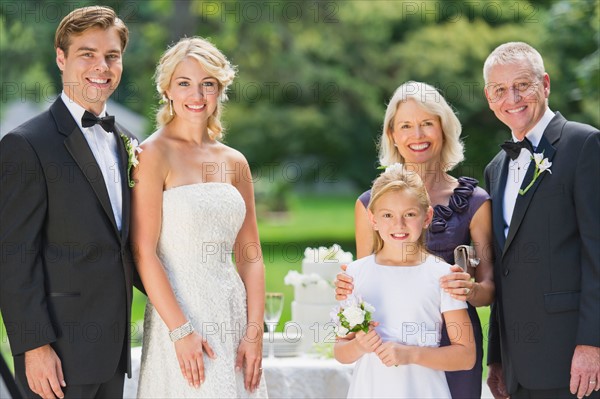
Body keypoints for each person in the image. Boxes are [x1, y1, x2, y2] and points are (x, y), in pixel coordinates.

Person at [0, 6, 139, 399]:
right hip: (56, 356)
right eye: (87, 54)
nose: (102, 66)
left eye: (112, 56)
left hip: (112, 352)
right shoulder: (26, 145)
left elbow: (127, 246)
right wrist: (33, 346)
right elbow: (12, 256)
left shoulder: (127, 141)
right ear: (61, 59)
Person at [336, 81, 494, 398]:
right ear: (392, 135)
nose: (417, 135)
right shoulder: (369, 204)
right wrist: (346, 289)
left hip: (452, 344)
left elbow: (490, 289)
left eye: (426, 124)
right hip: (386, 352)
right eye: (406, 126)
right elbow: (365, 283)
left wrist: (469, 289)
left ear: (444, 129)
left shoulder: (475, 202)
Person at [131, 37, 267, 398]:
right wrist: (180, 331)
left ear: (220, 89)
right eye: (185, 83)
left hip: (233, 317)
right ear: (167, 90)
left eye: (208, 83)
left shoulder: (235, 162)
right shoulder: (151, 155)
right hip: (179, 319)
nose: (197, 95)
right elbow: (143, 253)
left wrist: (254, 332)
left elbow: (251, 255)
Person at [482, 42, 600, 399]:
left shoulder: (585, 145)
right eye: (500, 90)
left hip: (573, 362)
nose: (512, 98)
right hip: (518, 368)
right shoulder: (495, 169)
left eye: (522, 85)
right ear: (489, 98)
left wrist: (592, 345)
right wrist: (497, 358)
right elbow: (505, 267)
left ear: (545, 84)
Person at [334, 165, 475, 398]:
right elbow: (341, 351)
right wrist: (359, 346)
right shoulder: (354, 274)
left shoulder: (443, 275)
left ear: (427, 216)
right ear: (373, 219)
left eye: (409, 214)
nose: (398, 225)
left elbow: (466, 356)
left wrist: (411, 354)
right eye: (387, 215)